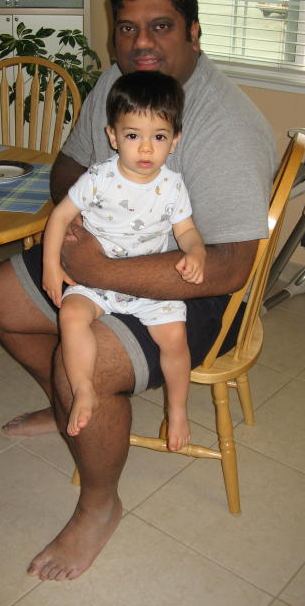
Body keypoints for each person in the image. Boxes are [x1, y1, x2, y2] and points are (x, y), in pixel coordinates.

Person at [0, 0, 276, 582]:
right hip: (104, 251)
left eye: (161, 26)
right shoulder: (120, 83)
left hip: (195, 285)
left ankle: (99, 504)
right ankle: (70, 408)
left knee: (83, 362)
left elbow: (229, 268)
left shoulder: (225, 126)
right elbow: (70, 165)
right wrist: (77, 231)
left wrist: (98, 268)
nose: (142, 43)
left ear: (194, 33)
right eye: (128, 28)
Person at [42, 70, 205, 450]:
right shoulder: (98, 177)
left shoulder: (172, 185)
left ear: (175, 140)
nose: (146, 149)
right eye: (133, 136)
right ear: (113, 136)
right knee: (71, 316)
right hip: (95, 279)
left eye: (158, 137)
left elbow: (186, 230)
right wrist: (52, 265)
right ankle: (83, 388)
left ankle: (177, 409)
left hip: (147, 283)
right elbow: (60, 217)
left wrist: (196, 250)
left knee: (175, 338)